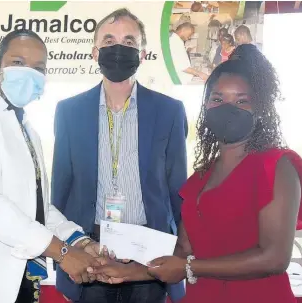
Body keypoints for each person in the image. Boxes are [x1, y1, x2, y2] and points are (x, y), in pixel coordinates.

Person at [89, 44, 302, 303]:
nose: (228, 107)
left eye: (241, 100)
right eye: (217, 99)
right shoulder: (200, 178)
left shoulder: (277, 166)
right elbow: (182, 252)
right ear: (206, 105)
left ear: (260, 109)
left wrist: (191, 268)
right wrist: (128, 272)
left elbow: (274, 257)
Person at [52, 8, 187, 303]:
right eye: (110, 40)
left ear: (142, 54)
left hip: (148, 253)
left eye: (129, 42)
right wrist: (63, 257)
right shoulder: (69, 111)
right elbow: (60, 190)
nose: (118, 48)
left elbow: (179, 190)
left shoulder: (169, 111)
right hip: (90, 250)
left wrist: (182, 256)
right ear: (94, 52)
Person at [0, 29, 101, 303]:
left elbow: (38, 209)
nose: (28, 73)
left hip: (16, 279)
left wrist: (78, 241)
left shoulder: (27, 129)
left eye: (39, 68)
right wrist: (62, 253)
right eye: (18, 63)